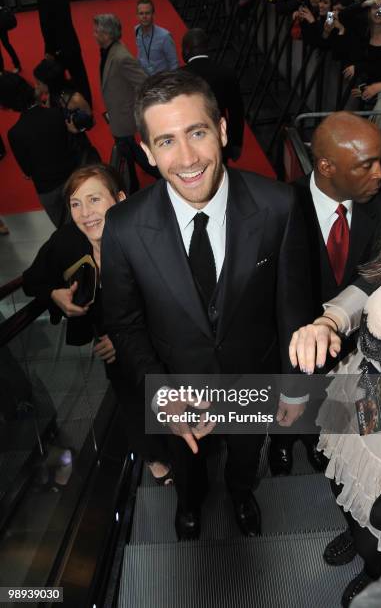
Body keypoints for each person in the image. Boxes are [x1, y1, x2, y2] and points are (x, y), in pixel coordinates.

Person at [101, 70, 312, 541]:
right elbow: (125, 322)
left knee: (243, 459)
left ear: (221, 130)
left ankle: (240, 494)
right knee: (188, 469)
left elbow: (290, 308)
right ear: (148, 151)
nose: (188, 158)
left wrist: (295, 389)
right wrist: (161, 392)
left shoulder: (279, 205)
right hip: (178, 387)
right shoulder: (124, 226)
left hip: (251, 380)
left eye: (197, 132)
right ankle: (191, 504)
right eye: (167, 141)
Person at [22, 164, 172, 484]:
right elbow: (32, 279)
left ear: (119, 199)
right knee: (131, 397)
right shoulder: (67, 241)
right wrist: (55, 295)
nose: (85, 213)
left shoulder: (147, 235)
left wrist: (127, 337)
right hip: (110, 346)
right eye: (75, 204)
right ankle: (154, 457)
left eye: (94, 200)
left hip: (157, 338)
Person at [269, 112, 381, 475]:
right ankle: (280, 443)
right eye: (367, 165)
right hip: (289, 345)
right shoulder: (277, 208)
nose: (380, 174)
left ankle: (316, 441)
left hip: (350, 353)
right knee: (286, 412)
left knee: (328, 411)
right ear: (326, 166)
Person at [289, 229, 381, 606]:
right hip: (362, 388)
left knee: (379, 519)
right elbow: (371, 281)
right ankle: (353, 531)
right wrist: (328, 322)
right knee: (342, 474)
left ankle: (372, 571)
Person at [93, 13, 159, 194]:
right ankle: (134, 185)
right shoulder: (109, 50)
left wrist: (133, 109)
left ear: (106, 34)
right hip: (119, 118)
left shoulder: (121, 57)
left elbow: (145, 84)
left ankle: (162, 178)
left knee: (137, 156)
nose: (94, 34)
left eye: (97, 31)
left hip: (125, 120)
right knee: (127, 154)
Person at [0, 72, 75, 228]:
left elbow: (27, 171)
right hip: (72, 177)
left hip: (48, 189)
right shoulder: (55, 113)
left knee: (65, 230)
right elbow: (69, 144)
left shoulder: (15, 133)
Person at [181, 28, 244, 163]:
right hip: (219, 139)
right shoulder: (226, 73)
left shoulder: (178, 77)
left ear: (186, 50)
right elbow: (236, 112)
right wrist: (236, 143)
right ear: (207, 48)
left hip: (188, 141)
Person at [33, 58, 100, 167]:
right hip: (59, 149)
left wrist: (76, 129)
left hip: (77, 149)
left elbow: (92, 122)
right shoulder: (51, 94)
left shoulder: (75, 99)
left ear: (49, 83)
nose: (36, 86)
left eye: (38, 83)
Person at [37, 0, 92, 107]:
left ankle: (59, 107)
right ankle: (87, 104)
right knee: (80, 76)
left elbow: (46, 25)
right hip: (71, 41)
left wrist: (49, 50)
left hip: (57, 47)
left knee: (56, 80)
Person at [135, 0, 178, 75]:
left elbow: (173, 63)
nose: (144, 16)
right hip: (145, 78)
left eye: (147, 13)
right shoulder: (137, 31)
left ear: (153, 15)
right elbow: (140, 53)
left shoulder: (165, 36)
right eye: (141, 13)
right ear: (137, 15)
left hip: (161, 80)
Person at [0, 0, 21, 73]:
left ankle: (17, 65)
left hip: (1, 22)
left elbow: (2, 4)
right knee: (6, 44)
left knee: (6, 44)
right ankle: (1, 69)